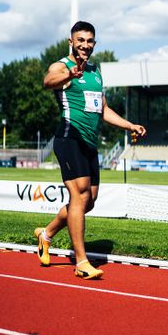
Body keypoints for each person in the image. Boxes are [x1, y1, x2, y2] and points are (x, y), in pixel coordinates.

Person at [35, 21, 146, 280]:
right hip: (69, 137)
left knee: (89, 201)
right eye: (80, 40)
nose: (85, 45)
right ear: (70, 42)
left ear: (94, 43)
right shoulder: (61, 66)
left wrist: (129, 125)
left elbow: (103, 109)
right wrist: (69, 75)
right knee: (80, 194)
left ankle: (46, 234)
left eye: (89, 41)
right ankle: (81, 262)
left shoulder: (95, 71)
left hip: (89, 143)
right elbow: (47, 81)